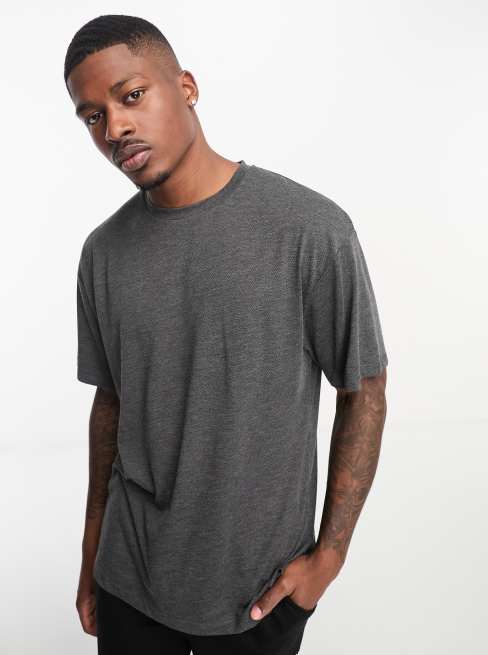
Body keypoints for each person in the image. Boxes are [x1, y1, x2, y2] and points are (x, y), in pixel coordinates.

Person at [65, 14, 388, 655]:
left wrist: (329, 557)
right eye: (93, 116)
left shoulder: (309, 229)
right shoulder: (102, 253)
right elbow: (112, 402)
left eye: (132, 95)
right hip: (130, 577)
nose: (115, 128)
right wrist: (91, 553)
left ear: (186, 86)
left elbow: (364, 390)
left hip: (258, 592)